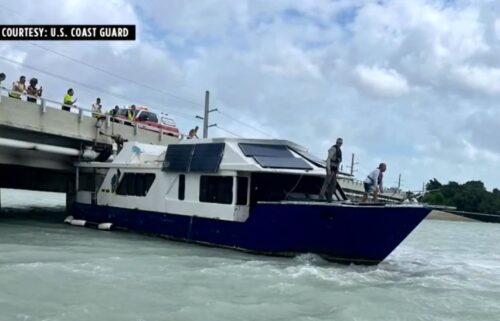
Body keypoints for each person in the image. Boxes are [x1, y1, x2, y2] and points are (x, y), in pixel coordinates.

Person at [319, 138, 343, 202]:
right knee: (327, 182)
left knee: (333, 184)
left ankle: (329, 198)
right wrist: (329, 169)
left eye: (340, 143)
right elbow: (328, 159)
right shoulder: (333, 148)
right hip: (330, 167)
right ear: (336, 142)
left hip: (335, 169)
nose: (339, 144)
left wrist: (337, 170)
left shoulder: (339, 151)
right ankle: (321, 196)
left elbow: (338, 162)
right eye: (338, 142)